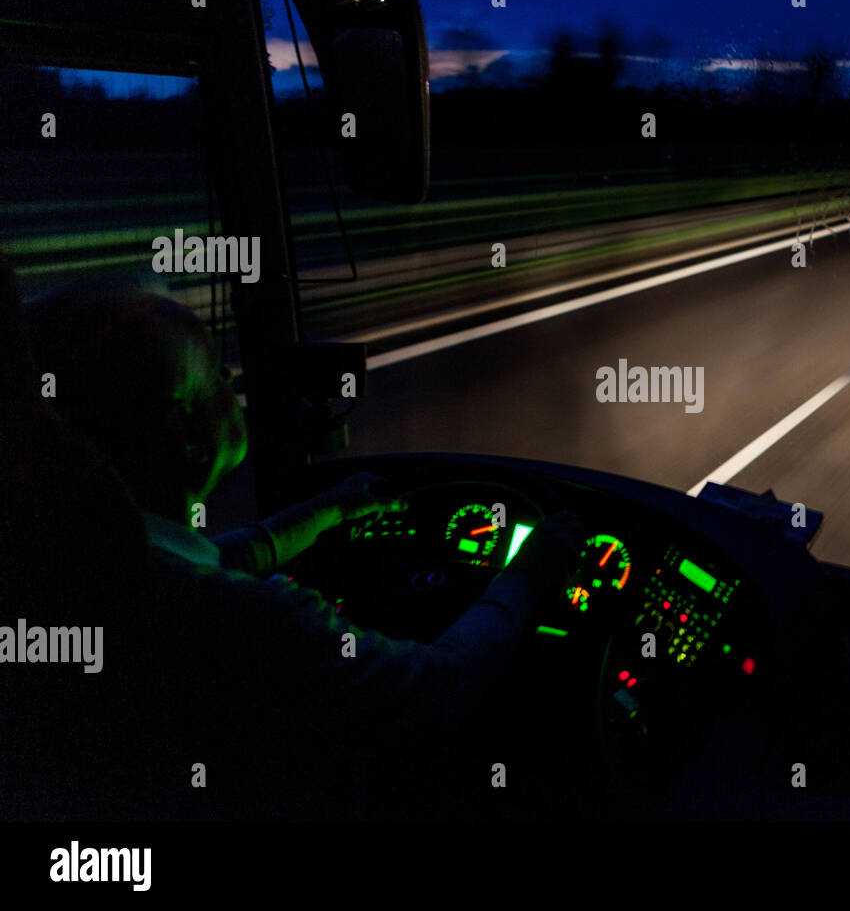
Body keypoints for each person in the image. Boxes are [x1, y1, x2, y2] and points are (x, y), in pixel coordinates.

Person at [23, 282, 584, 818]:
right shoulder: (247, 617)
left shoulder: (71, 562)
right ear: (185, 431)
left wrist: (327, 510)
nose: (231, 378)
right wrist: (526, 574)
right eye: (215, 373)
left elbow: (206, 561)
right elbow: (434, 687)